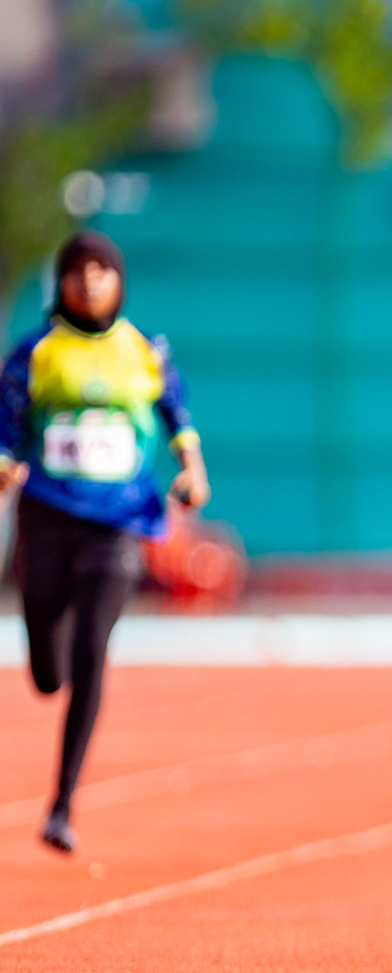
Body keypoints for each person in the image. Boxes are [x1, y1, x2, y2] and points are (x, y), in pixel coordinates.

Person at [0, 231, 210, 853]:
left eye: (102, 270)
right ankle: (43, 643)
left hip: (119, 518)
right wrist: (6, 462)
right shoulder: (36, 351)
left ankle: (62, 804)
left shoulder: (145, 351)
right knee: (47, 667)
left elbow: (179, 413)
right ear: (62, 282)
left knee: (93, 647)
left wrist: (192, 467)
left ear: (118, 281)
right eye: (77, 271)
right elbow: (8, 423)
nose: (90, 281)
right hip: (49, 514)